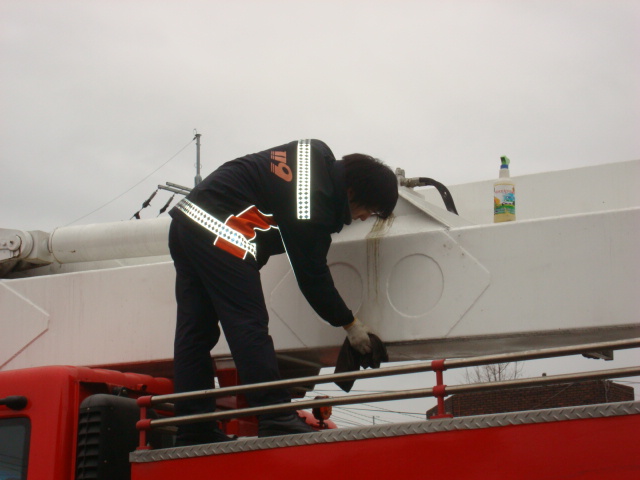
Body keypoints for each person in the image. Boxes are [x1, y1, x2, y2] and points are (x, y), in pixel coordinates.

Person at [168, 139, 398, 445]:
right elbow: (312, 276)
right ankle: (275, 415)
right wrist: (350, 324)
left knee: (195, 333)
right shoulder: (310, 202)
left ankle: (192, 426)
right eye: (369, 209)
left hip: (187, 221)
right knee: (248, 324)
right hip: (220, 230)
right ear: (353, 191)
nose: (366, 217)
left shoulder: (314, 159)